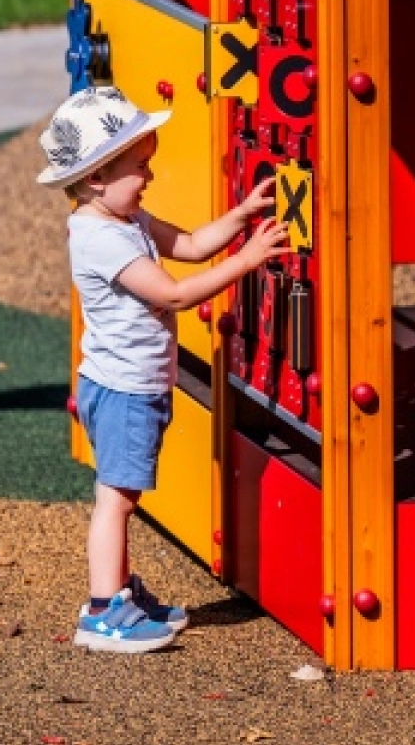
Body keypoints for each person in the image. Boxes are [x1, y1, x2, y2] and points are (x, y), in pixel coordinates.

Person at [36, 84, 291, 654]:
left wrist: (242, 216)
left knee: (121, 495)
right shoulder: (102, 238)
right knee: (116, 499)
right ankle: (103, 611)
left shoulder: (122, 218)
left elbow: (193, 244)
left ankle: (119, 593)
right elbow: (173, 294)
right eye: (139, 167)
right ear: (97, 177)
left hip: (127, 384)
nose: (149, 176)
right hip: (124, 390)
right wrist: (248, 261)